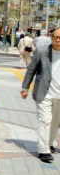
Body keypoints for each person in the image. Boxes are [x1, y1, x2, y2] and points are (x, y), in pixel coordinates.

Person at [21, 28, 60, 163]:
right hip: (44, 92)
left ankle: (49, 143)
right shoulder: (42, 51)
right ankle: (43, 150)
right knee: (44, 120)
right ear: (51, 37)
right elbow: (31, 69)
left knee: (55, 122)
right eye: (55, 37)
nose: (57, 40)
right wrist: (25, 87)